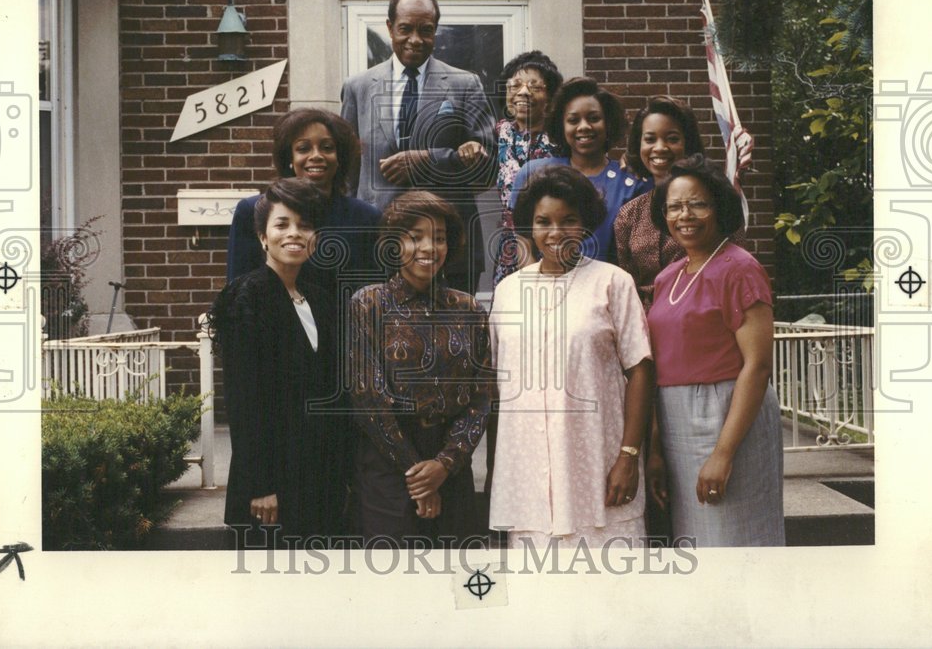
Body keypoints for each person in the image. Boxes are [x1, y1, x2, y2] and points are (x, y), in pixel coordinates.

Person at [488, 166, 654, 549]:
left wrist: (629, 456)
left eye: (569, 220)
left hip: (598, 463)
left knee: (611, 589)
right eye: (543, 221)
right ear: (529, 226)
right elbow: (499, 384)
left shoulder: (612, 282)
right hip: (528, 471)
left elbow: (641, 369)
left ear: (586, 224)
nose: (556, 232)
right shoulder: (509, 292)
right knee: (541, 595)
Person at [646, 155, 785, 546]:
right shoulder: (667, 276)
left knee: (735, 539)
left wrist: (723, 453)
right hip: (675, 420)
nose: (684, 215)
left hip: (728, 415)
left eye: (697, 203)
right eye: (674, 206)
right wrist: (656, 450)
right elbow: (661, 369)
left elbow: (757, 366)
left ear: (719, 207)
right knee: (696, 541)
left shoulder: (740, 268)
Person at [348, 191, 493, 547]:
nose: (430, 247)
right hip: (388, 464)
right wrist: (419, 478)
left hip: (451, 465)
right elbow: (368, 399)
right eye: (416, 237)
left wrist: (444, 465)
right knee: (396, 586)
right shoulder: (368, 304)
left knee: (468, 587)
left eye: (439, 238)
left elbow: (481, 397)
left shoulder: (468, 309)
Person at [209, 178, 350, 543]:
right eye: (282, 224)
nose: (294, 234)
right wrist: (260, 485)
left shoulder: (319, 299)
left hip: (320, 478)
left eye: (305, 226)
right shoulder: (246, 296)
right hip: (269, 488)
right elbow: (243, 400)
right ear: (262, 236)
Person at [340, 0, 496, 294]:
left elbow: (489, 167)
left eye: (426, 30)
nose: (415, 39)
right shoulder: (358, 87)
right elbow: (346, 171)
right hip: (378, 244)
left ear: (435, 31)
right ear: (389, 28)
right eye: (405, 29)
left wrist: (428, 158)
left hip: (447, 248)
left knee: (450, 337)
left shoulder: (465, 84)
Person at [226, 108, 381, 299]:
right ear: (289, 158)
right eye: (303, 148)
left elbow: (373, 294)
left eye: (327, 147)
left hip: (345, 327)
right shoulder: (252, 211)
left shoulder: (366, 217)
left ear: (339, 157)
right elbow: (236, 291)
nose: (316, 155)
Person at [510, 77, 650, 265]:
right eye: (573, 120)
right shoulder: (534, 173)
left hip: (606, 287)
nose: (584, 127)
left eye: (594, 118)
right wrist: (538, 283)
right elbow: (522, 239)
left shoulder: (631, 181)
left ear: (608, 123)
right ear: (562, 125)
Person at [458, 50, 564, 287]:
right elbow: (479, 168)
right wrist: (471, 146)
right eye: (515, 85)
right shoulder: (499, 132)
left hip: (555, 239)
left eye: (535, 87)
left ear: (551, 96)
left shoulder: (562, 135)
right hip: (511, 245)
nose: (523, 92)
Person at [613, 96, 706, 310]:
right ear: (639, 145)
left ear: (688, 143)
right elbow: (628, 287)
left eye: (672, 138)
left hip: (699, 320)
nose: (660, 148)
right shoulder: (629, 214)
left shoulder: (714, 205)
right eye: (650, 139)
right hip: (645, 328)